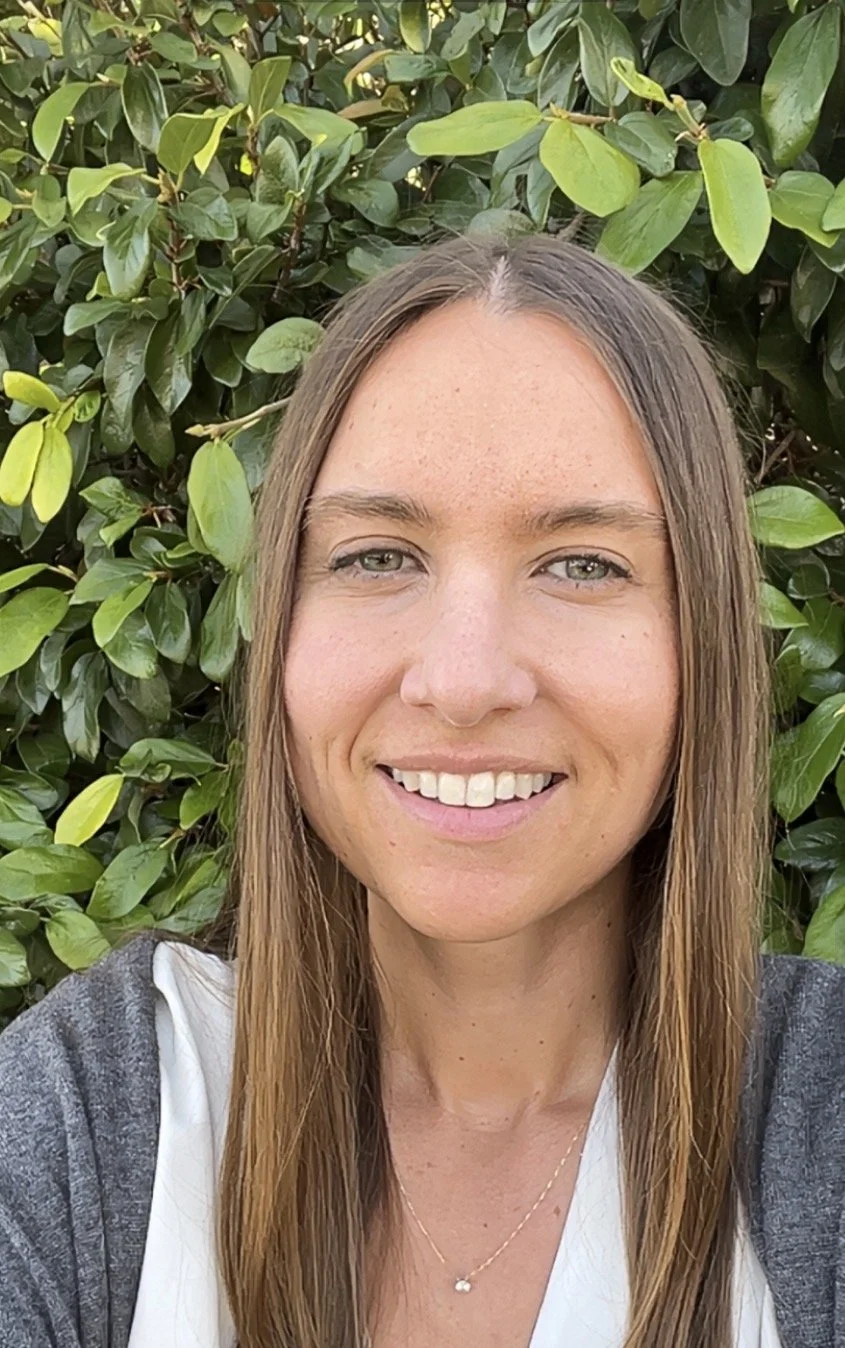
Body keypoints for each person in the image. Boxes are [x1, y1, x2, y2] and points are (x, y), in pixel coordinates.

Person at [0, 231, 843, 1348]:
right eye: (377, 555)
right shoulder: (88, 1122)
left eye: (582, 564)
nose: (461, 682)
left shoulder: (817, 1122)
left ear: (702, 642)